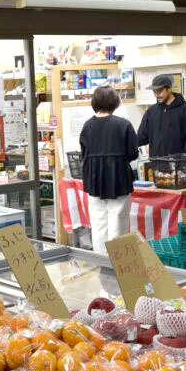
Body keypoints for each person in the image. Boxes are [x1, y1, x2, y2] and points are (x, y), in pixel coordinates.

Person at [79, 85, 139, 254]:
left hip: (94, 178)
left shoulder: (87, 125)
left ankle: (102, 262)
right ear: (115, 103)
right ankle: (119, 264)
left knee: (98, 224)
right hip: (118, 177)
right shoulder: (124, 125)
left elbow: (84, 152)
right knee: (118, 223)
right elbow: (133, 153)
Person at [137, 74, 186, 157]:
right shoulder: (151, 112)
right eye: (154, 91)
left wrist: (185, 163)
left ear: (169, 88)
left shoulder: (185, 110)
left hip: (177, 164)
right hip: (157, 164)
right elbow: (142, 137)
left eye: (160, 91)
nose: (157, 95)